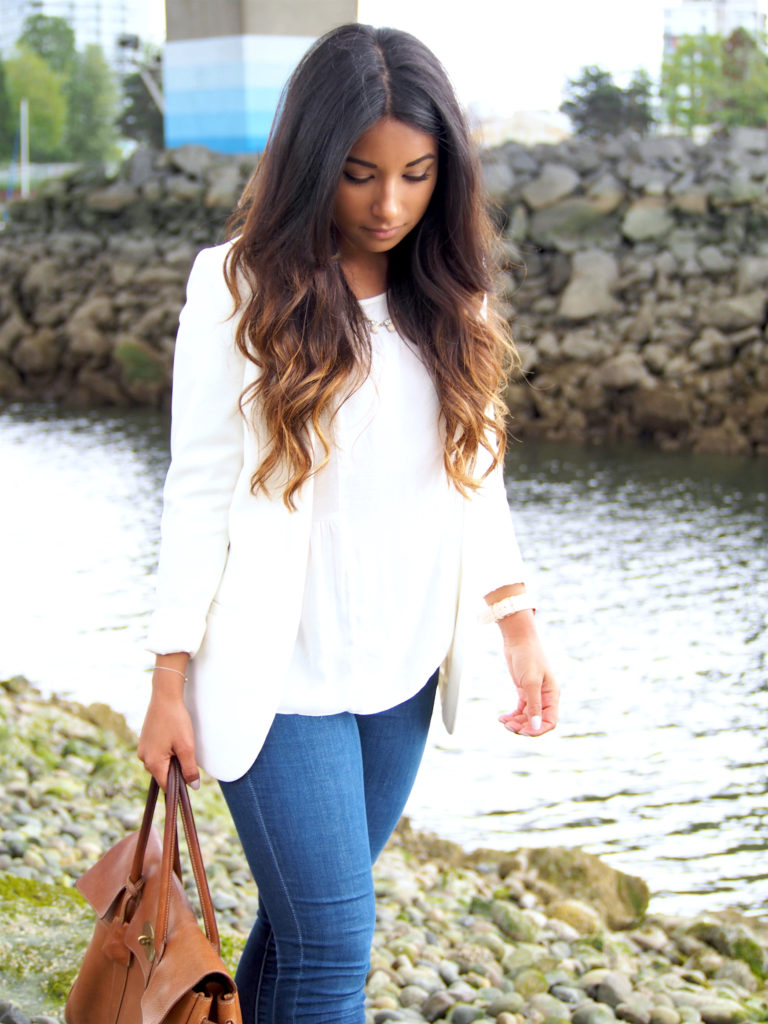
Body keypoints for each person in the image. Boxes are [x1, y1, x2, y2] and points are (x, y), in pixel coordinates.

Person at [138, 21, 559, 1024]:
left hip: (404, 668)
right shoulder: (236, 283)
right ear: (313, 160)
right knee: (333, 943)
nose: (389, 204)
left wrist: (518, 620)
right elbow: (195, 492)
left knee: (297, 931)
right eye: (361, 174)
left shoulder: (454, 295)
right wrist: (166, 681)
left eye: (416, 174)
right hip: (278, 673)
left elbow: (475, 471)